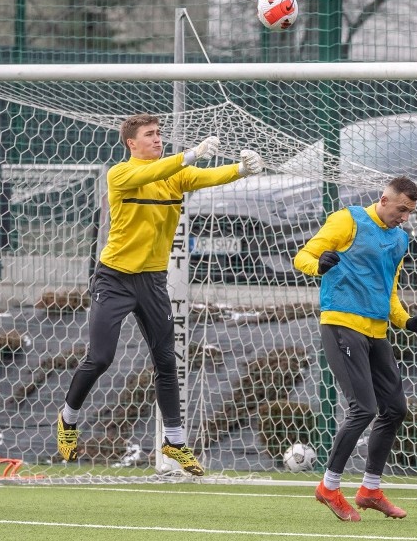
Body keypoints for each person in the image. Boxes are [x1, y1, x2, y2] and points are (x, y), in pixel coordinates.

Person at [56, 113, 263, 475]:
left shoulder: (175, 175)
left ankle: (175, 440)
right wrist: (189, 154)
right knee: (101, 357)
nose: (157, 139)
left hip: (152, 282)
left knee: (167, 360)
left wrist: (242, 170)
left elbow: (208, 176)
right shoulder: (119, 174)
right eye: (149, 135)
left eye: (159, 134)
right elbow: (151, 173)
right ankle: (69, 417)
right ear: (131, 144)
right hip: (114, 279)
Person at [293, 176, 417, 521]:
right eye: (401, 209)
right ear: (383, 199)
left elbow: (390, 290)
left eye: (410, 212)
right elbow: (304, 256)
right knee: (363, 408)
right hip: (342, 324)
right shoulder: (348, 220)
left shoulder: (400, 239)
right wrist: (318, 265)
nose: (405, 217)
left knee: (395, 408)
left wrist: (405, 321)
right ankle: (328, 487)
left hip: (376, 331)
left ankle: (370, 491)